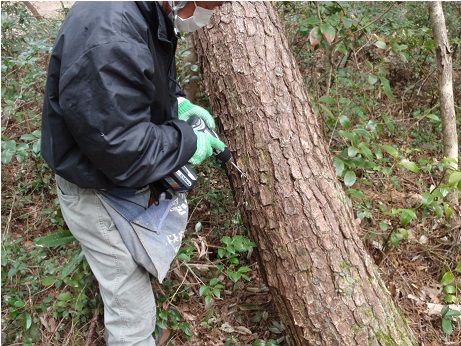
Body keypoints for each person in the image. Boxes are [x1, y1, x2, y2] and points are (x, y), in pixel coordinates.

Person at [41, 1, 225, 345]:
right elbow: (124, 148)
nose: (205, 13)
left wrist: (178, 103)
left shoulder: (145, 12)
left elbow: (144, 83)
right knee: (130, 311)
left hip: (108, 175)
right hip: (94, 188)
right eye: (207, 3)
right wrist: (188, 142)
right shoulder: (112, 34)